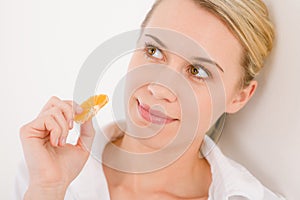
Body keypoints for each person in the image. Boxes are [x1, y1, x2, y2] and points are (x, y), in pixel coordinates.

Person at [14, 0, 286, 199]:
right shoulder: (43, 174)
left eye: (197, 71)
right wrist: (47, 189)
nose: (158, 87)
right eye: (154, 51)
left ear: (239, 97)